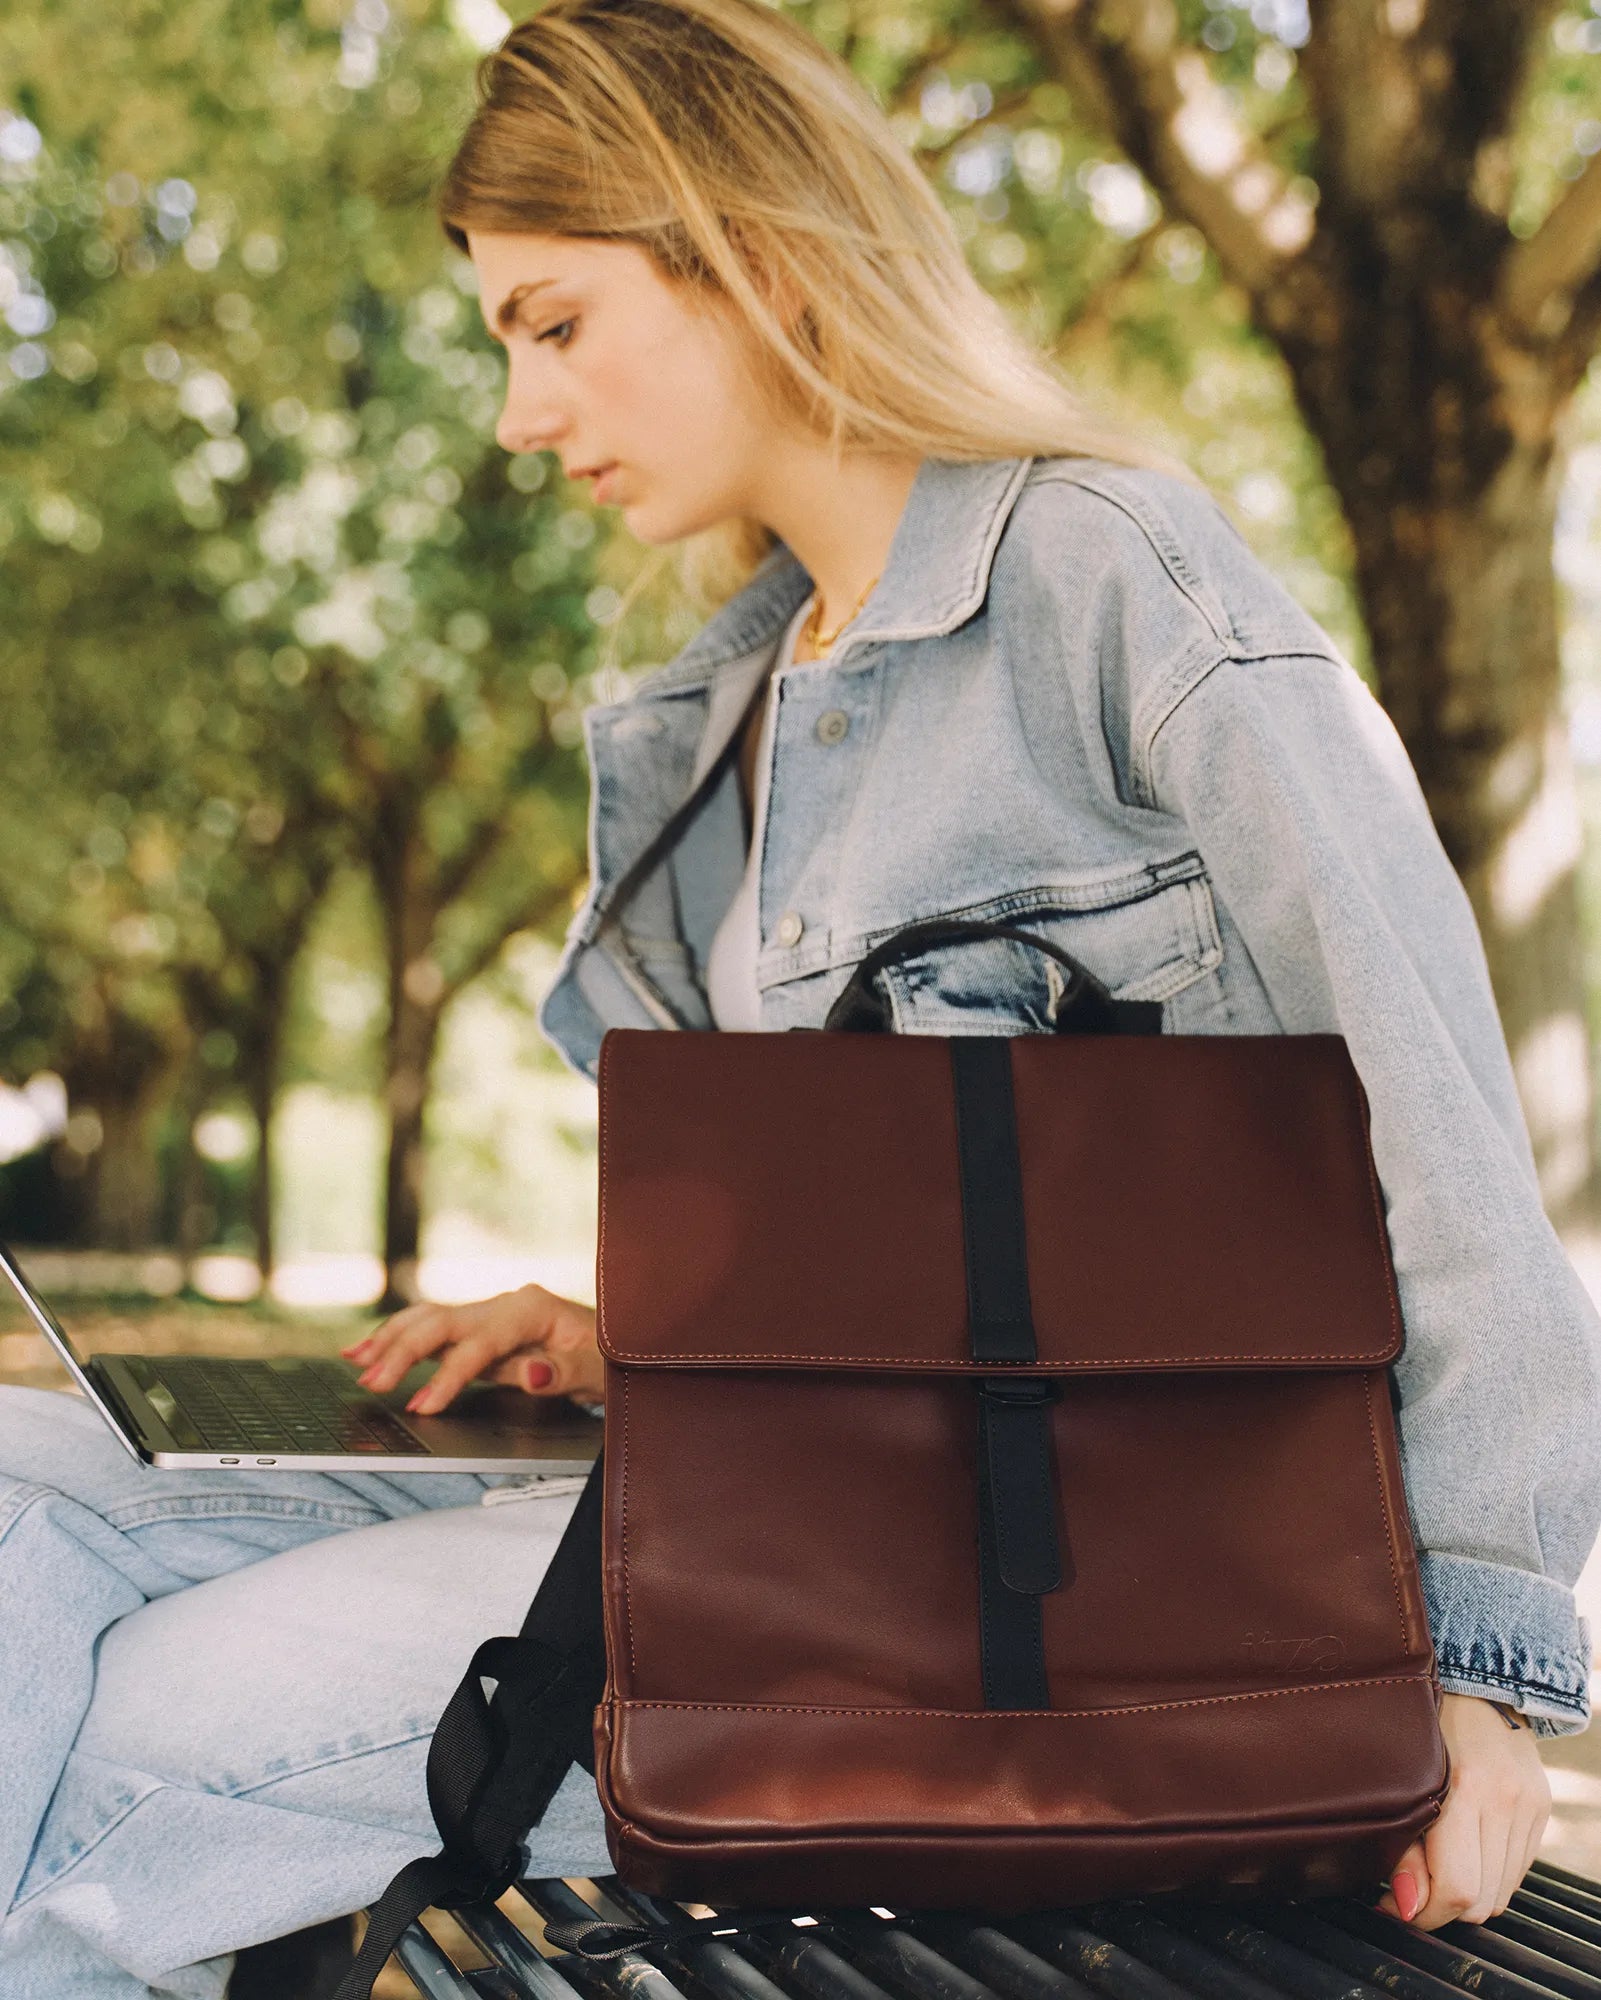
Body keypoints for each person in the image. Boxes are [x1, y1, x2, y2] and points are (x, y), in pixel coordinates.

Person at [2, 0, 1598, 1990]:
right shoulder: (722, 718)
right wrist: (631, 1328)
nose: (516, 415)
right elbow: (904, 1241)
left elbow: (1442, 1142)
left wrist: (1484, 1672)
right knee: (18, 1482)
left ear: (750, 251)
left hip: (1018, 1592)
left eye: (554, 324)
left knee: (125, 1736)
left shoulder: (1114, 588)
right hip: (764, 1487)